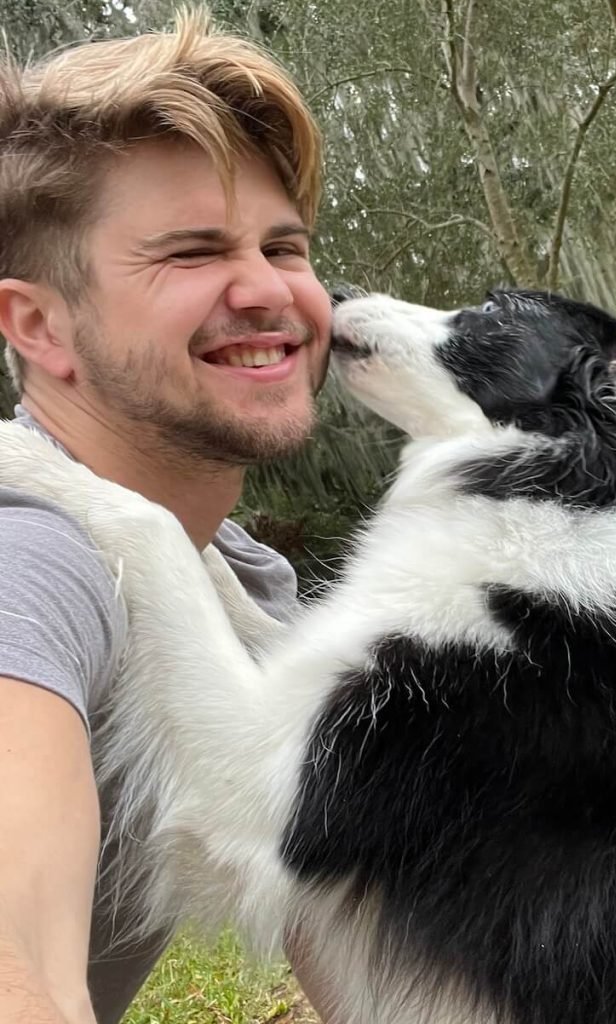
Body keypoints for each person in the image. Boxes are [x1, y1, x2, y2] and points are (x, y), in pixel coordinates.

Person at [0, 9, 336, 1022]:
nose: (266, 288)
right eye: (191, 254)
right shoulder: (35, 558)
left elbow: (380, 960)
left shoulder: (237, 583)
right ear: (37, 324)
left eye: (284, 244)